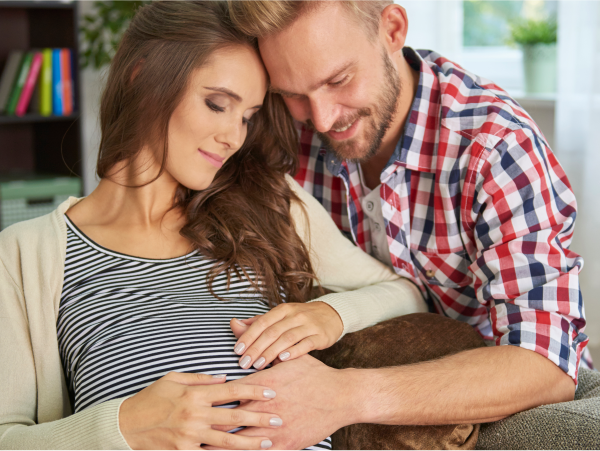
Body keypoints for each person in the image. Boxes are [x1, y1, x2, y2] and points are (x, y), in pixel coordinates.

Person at [0, 1, 428, 450]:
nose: (234, 136)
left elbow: (407, 296)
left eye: (246, 117)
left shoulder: (268, 203)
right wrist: (124, 426)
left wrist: (330, 316)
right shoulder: (28, 254)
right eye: (217, 104)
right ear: (142, 77)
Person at [206, 0, 600, 449]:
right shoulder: (282, 133)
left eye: (338, 80)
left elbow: (545, 368)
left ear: (392, 29)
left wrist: (344, 396)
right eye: (292, 93)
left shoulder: (495, 148)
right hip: (366, 378)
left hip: (497, 396)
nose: (322, 118)